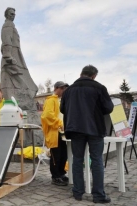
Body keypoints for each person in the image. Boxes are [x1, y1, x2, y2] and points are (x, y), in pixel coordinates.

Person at [60, 65, 114, 203]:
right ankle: (98, 195)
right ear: (94, 76)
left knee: (77, 160)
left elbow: (62, 109)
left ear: (81, 74)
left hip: (75, 128)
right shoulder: (99, 88)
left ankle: (77, 192)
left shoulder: (68, 90)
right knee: (96, 160)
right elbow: (108, 108)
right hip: (95, 128)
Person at [0, 7, 38, 111]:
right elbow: (6, 39)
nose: (13, 16)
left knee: (23, 79)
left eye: (14, 14)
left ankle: (25, 98)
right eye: (11, 14)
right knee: (23, 80)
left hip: (15, 54)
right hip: (12, 55)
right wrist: (8, 56)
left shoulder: (10, 25)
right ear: (7, 15)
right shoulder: (8, 25)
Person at [41, 81, 69, 186]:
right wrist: (59, 123)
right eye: (62, 89)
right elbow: (47, 115)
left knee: (63, 154)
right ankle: (55, 176)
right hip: (55, 131)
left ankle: (61, 173)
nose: (63, 91)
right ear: (57, 88)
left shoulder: (61, 101)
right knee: (55, 156)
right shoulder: (51, 100)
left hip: (62, 132)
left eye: (64, 89)